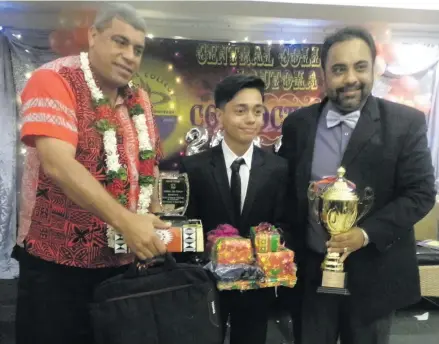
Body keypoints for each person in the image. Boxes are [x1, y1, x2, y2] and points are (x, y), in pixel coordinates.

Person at [15, 4, 171, 344]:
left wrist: (151, 221)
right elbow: (58, 164)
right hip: (56, 265)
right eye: (120, 41)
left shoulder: (139, 99)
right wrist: (127, 223)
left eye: (138, 49)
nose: (130, 55)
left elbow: (149, 168)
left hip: (122, 267)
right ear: (93, 35)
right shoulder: (53, 80)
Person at [279, 26, 436, 344]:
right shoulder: (298, 125)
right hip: (311, 277)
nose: (350, 78)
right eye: (339, 69)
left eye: (360, 67)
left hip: (375, 276)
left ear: (374, 68)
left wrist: (364, 234)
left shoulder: (406, 123)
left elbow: (421, 193)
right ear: (324, 74)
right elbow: (284, 190)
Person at [179, 74, 288, 344]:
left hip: (255, 286)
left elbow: (285, 222)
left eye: (257, 111)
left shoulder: (278, 169)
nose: (251, 119)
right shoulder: (196, 167)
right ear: (219, 115)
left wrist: (268, 246)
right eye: (240, 110)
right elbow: (187, 227)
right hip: (206, 283)